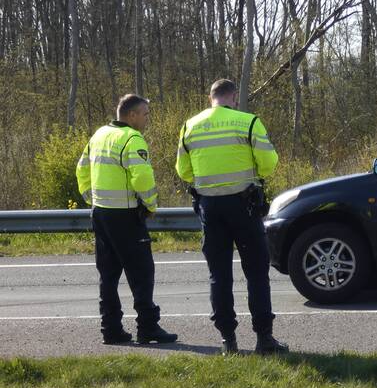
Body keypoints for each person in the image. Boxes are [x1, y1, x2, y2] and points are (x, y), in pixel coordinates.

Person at [175, 79, 288, 354]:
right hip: (244, 205)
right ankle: (264, 338)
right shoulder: (247, 122)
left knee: (219, 275)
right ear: (233, 97)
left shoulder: (190, 125)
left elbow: (183, 171)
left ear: (210, 97)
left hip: (209, 208)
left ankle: (228, 340)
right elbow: (269, 163)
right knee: (257, 273)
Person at [75, 94, 178, 345]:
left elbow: (81, 168)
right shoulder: (132, 138)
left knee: (108, 274)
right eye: (145, 114)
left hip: (101, 213)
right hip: (126, 215)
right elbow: (142, 177)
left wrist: (92, 198)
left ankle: (110, 329)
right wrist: (151, 205)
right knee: (141, 272)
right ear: (131, 115)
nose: (147, 119)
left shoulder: (99, 134)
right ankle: (148, 328)